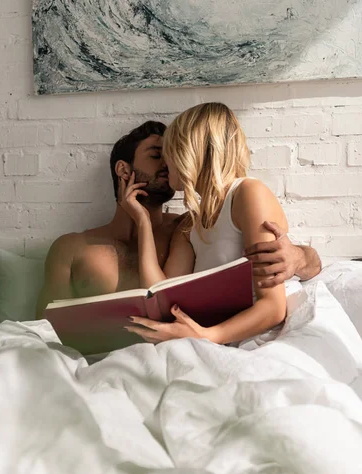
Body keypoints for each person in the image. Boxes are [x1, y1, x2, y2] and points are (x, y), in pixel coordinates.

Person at [36, 119, 321, 322]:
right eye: (157, 155)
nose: (168, 164)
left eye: (172, 155)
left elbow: (275, 251)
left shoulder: (193, 225)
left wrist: (298, 256)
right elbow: (41, 328)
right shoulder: (72, 247)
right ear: (123, 170)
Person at [121, 103, 321, 346]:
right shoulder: (190, 223)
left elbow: (273, 307)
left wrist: (206, 336)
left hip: (262, 333)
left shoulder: (248, 194)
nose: (165, 163)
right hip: (222, 333)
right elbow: (161, 295)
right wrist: (142, 221)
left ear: (189, 151)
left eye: (168, 152)